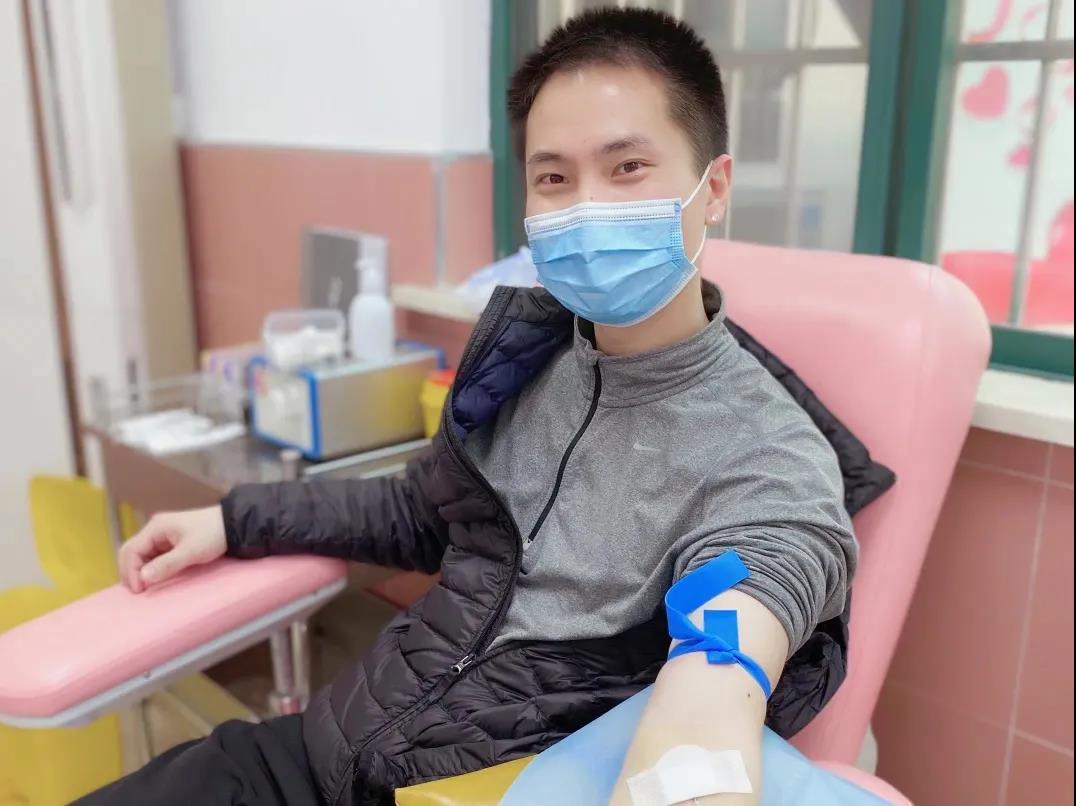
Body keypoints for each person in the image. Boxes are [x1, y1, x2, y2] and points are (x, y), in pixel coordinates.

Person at [79, 8, 855, 806]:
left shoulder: (765, 458)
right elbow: (417, 512)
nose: (587, 207)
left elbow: (722, 665)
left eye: (627, 167)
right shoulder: (528, 364)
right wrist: (233, 520)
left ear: (713, 188)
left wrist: (692, 771)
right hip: (317, 754)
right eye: (554, 178)